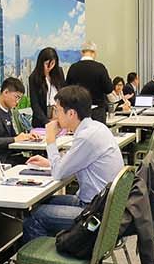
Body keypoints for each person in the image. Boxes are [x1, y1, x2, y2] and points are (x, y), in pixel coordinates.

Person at [20, 86, 124, 242]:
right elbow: (74, 162)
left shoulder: (86, 137)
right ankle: (60, 243)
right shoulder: (96, 127)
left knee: (35, 216)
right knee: (42, 201)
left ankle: (48, 255)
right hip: (102, 204)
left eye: (57, 111)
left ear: (71, 113)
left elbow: (58, 174)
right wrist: (50, 163)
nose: (55, 116)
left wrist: (50, 139)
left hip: (94, 212)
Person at [66, 40, 115, 121]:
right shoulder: (100, 68)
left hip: (78, 112)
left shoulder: (73, 68)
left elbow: (67, 90)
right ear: (94, 53)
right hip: (97, 112)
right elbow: (108, 89)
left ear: (82, 52)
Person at [28, 47, 66, 130]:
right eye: (47, 64)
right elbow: (35, 104)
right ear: (41, 63)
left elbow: (65, 94)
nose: (50, 67)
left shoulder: (59, 73)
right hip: (41, 122)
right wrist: (47, 122)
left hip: (58, 117)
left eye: (53, 63)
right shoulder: (34, 78)